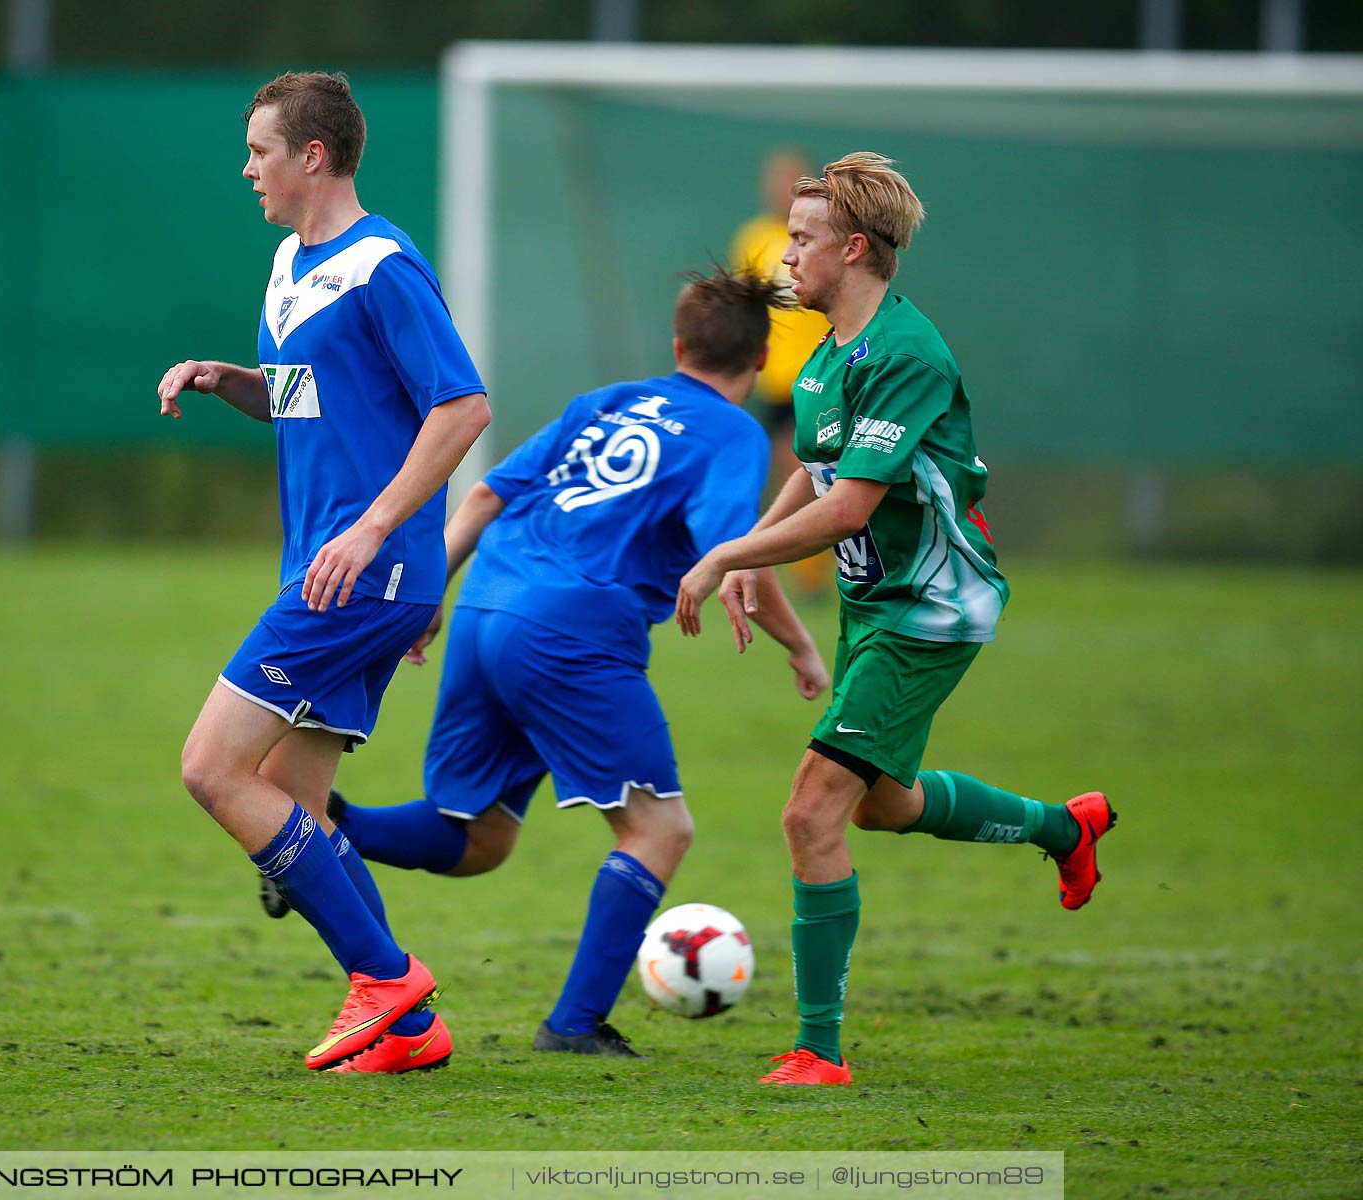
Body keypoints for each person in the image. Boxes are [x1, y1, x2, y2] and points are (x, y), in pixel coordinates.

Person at [675, 153, 1115, 1086]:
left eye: (803, 239)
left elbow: (848, 508)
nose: (786, 254)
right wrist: (758, 544)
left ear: (856, 248)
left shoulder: (908, 354)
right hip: (874, 602)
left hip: (930, 607)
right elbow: (816, 465)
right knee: (879, 806)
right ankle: (1062, 831)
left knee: (810, 810)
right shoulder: (831, 351)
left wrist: (724, 557)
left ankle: (818, 1049)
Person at [315, 266, 828, 1063]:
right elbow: (736, 555)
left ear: (676, 344)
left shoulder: (607, 401)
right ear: (760, 361)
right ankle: (575, 1024)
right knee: (660, 829)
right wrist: (801, 647)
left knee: (479, 835)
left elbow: (485, 494)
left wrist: (429, 596)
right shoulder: (732, 434)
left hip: (488, 600)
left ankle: (322, 832)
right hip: (573, 630)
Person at [155, 72, 490, 1074]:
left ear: (312, 156)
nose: (246, 167)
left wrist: (376, 527)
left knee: (210, 769)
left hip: (360, 571)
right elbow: (313, 401)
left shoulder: (382, 264)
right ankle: (412, 1030)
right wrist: (232, 384)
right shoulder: (289, 264)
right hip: (338, 567)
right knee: (287, 801)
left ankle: (385, 976)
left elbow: (462, 408)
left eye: (260, 149)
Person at [731, 148, 832, 600]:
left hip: (821, 373)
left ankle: (825, 569)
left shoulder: (827, 234)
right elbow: (746, 306)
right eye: (776, 181)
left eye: (792, 181)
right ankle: (807, 572)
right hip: (776, 379)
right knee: (793, 476)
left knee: (825, 475)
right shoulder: (753, 238)